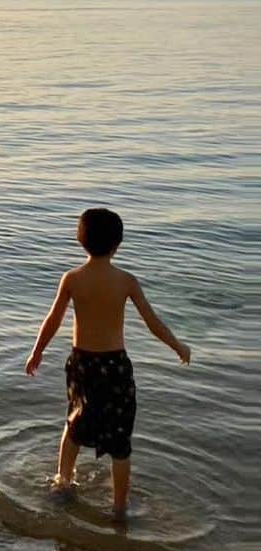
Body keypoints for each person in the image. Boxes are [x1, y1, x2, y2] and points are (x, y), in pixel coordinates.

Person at [25, 207, 190, 521]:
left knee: (74, 422)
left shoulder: (72, 278)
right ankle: (119, 509)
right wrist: (178, 346)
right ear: (118, 244)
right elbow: (153, 322)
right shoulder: (126, 281)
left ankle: (62, 483)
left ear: (80, 240)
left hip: (81, 364)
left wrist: (37, 352)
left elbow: (53, 320)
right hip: (114, 367)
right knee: (119, 439)